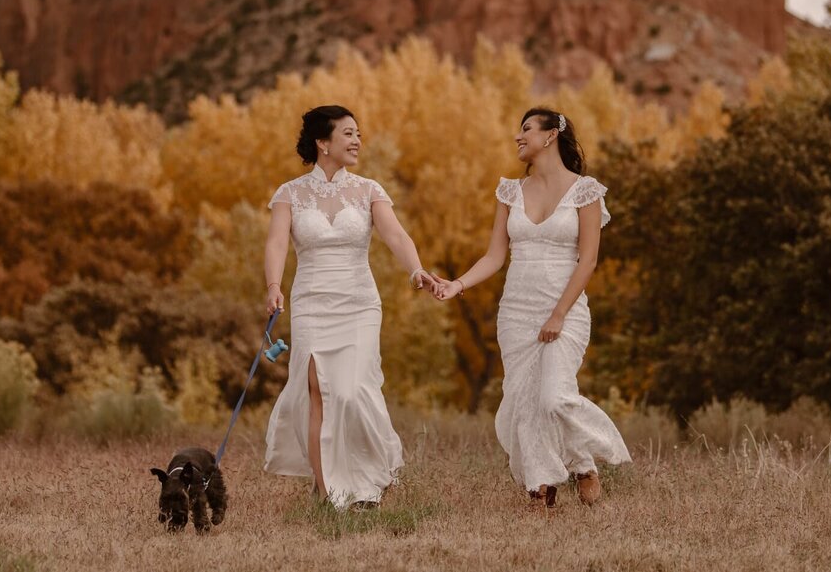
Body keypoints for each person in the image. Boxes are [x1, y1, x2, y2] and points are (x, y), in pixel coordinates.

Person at [433, 107, 631, 508]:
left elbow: (588, 261)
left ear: (550, 135)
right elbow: (493, 257)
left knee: (554, 397)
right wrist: (457, 284)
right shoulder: (509, 191)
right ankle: (540, 488)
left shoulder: (586, 191)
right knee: (523, 398)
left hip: (566, 307)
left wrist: (558, 314)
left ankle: (585, 461)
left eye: (526, 129)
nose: (518, 137)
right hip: (517, 310)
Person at [263, 105, 435, 509]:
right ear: (323, 143)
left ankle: (371, 476)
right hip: (310, 303)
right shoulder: (290, 193)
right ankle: (328, 494)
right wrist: (273, 285)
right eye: (348, 133)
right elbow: (275, 244)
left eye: (359, 133)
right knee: (319, 393)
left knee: (353, 390)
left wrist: (416, 270)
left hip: (358, 302)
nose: (357, 140)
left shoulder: (369, 190)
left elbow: (395, 235)